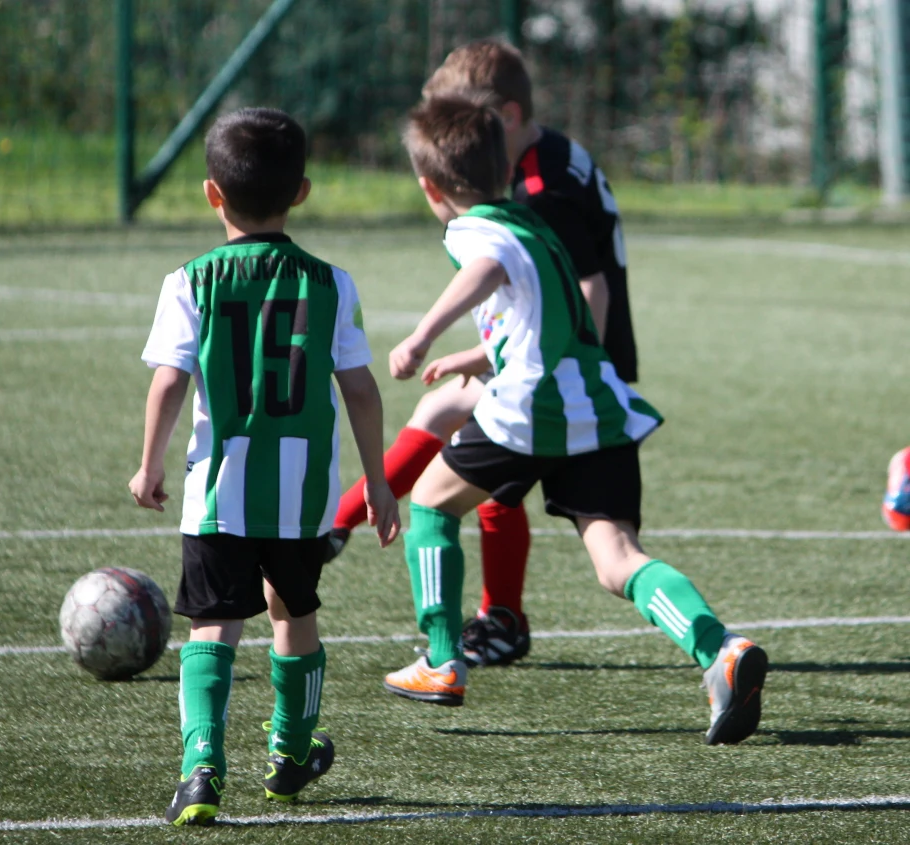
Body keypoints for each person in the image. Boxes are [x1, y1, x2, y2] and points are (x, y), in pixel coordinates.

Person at [380, 96, 767, 747]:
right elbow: (548, 317)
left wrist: (420, 336)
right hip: (597, 403)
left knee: (430, 501)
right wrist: (472, 354)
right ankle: (720, 648)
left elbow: (484, 269)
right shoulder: (537, 227)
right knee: (617, 559)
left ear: (430, 186)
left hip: (532, 408)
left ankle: (442, 660)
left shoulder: (474, 228)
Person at [328, 38, 641, 671]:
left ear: (508, 114)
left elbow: (589, 287)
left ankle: (495, 615)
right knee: (449, 414)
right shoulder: (539, 159)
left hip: (572, 371)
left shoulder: (543, 184)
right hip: (558, 361)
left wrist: (552, 371)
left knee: (477, 462)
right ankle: (338, 528)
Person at [129, 107, 401, 826]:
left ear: (212, 193)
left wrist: (149, 464)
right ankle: (290, 752)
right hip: (303, 497)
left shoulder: (189, 280)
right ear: (302, 191)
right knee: (295, 611)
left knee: (213, 624)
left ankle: (200, 771)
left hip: (217, 492)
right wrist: (375, 481)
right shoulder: (332, 283)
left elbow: (168, 381)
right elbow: (363, 389)